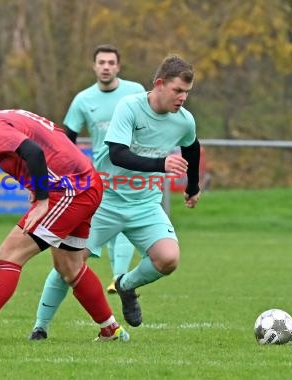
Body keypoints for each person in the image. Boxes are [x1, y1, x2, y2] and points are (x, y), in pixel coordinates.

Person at [0, 101, 129, 343]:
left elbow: (33, 151)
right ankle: (111, 331)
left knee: (9, 254)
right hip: (86, 184)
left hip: (68, 191)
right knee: (69, 265)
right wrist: (38, 185)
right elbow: (56, 137)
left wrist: (44, 198)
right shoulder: (5, 115)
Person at [28, 44, 146, 340]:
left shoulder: (136, 92)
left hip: (135, 187)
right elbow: (64, 140)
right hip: (97, 188)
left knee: (143, 245)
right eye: (101, 62)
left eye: (111, 62)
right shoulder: (83, 100)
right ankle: (40, 326)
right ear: (94, 67)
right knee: (68, 258)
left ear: (119, 66)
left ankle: (120, 282)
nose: (106, 66)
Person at [94, 54, 201, 328]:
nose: (182, 98)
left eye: (187, 93)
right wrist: (161, 164)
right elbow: (117, 155)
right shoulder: (130, 106)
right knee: (68, 261)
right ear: (160, 84)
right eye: (178, 90)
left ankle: (125, 286)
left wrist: (192, 186)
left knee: (169, 259)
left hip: (144, 204)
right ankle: (40, 327)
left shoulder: (184, 120)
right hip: (105, 200)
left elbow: (192, 146)